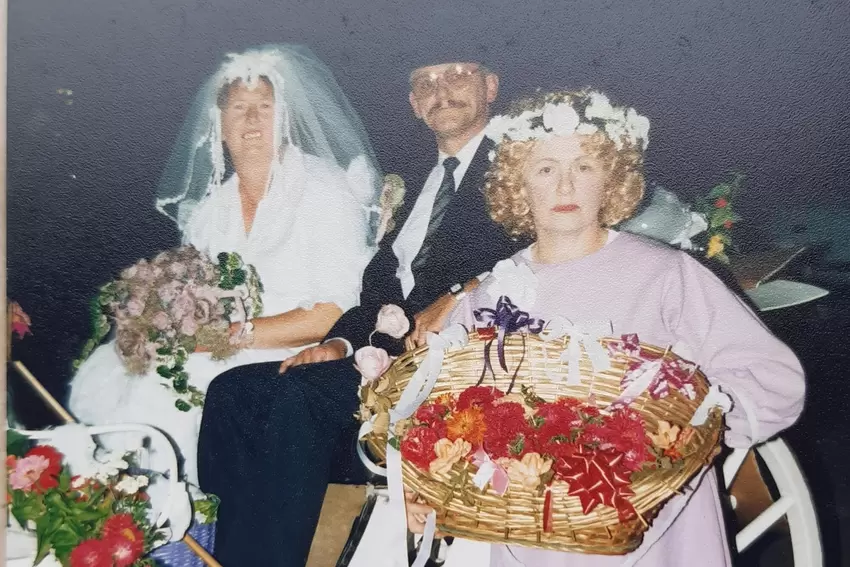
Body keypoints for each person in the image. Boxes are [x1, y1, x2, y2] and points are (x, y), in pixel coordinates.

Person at [405, 89, 806, 566]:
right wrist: (427, 483)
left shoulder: (665, 275)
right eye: (545, 169)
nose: (566, 187)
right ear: (517, 183)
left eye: (585, 167)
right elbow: (444, 414)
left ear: (613, 177)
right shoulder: (490, 294)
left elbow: (773, 381)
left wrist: (678, 433)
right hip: (527, 533)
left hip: (653, 527)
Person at [197, 57, 529, 566]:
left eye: (457, 75)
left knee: (297, 401)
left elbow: (539, 253)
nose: (441, 90)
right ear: (415, 106)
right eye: (426, 83)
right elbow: (381, 289)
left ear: (491, 85)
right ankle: (233, 554)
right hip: (382, 360)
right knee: (232, 393)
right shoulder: (422, 179)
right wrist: (337, 343)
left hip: (460, 361)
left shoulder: (522, 167)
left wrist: (464, 290)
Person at [68, 44, 381, 489]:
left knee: (165, 394)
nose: (251, 120)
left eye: (264, 107)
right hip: (213, 346)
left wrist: (227, 336)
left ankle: (186, 529)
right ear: (219, 125)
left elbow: (334, 314)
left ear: (286, 119)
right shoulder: (210, 210)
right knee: (112, 372)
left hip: (294, 352)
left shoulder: (324, 190)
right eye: (239, 108)